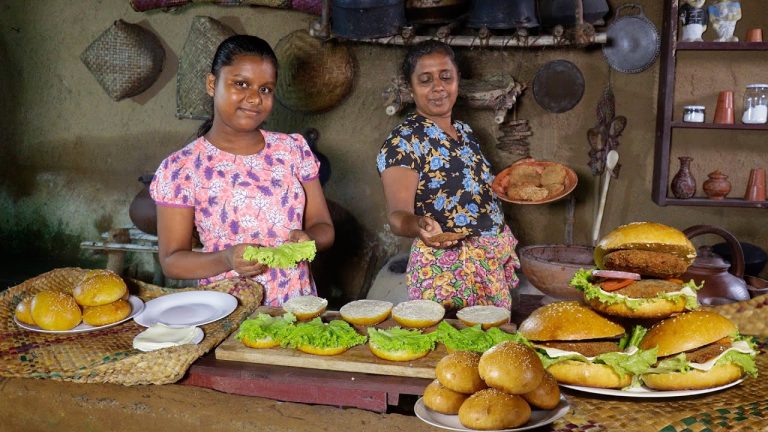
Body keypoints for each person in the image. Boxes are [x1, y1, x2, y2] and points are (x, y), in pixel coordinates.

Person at [150, 35, 334, 306]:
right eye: (241, 84)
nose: (254, 99)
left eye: (265, 89)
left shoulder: (292, 150)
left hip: (296, 307)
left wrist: (309, 239)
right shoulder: (181, 168)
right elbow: (172, 261)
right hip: (226, 313)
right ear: (212, 84)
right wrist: (226, 259)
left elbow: (324, 227)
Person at [376, 40, 520, 310]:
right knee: (449, 347)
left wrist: (520, 178)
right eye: (425, 80)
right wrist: (419, 225)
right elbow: (397, 217)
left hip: (488, 266)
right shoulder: (404, 142)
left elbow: (476, 191)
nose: (438, 87)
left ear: (458, 80)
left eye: (446, 77)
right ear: (410, 88)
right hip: (446, 271)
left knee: (491, 349)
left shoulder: (465, 133)